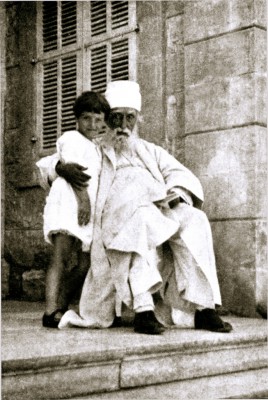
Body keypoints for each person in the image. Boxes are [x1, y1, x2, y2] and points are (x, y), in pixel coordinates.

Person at [40, 80, 232, 335]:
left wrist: (175, 194)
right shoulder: (93, 148)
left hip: (159, 209)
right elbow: (51, 165)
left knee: (195, 219)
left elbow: (181, 174)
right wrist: (59, 168)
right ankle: (143, 310)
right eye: (116, 118)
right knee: (138, 219)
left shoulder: (148, 150)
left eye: (129, 118)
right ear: (107, 120)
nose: (122, 126)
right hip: (117, 217)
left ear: (137, 120)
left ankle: (205, 309)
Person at [36, 91, 110, 328]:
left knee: (85, 262)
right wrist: (84, 201)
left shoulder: (96, 146)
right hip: (69, 201)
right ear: (77, 119)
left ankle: (61, 303)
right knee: (60, 257)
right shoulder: (71, 138)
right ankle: (50, 311)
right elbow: (74, 173)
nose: (93, 124)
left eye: (98, 120)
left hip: (85, 207)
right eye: (87, 118)